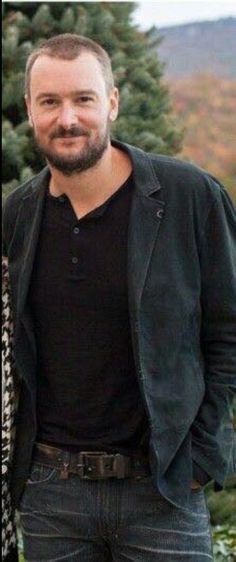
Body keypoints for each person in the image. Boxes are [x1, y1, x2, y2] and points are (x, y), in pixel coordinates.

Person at [2, 33, 236, 562]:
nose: (67, 118)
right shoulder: (17, 215)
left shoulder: (189, 197)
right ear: (31, 110)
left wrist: (200, 456)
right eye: (49, 102)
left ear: (111, 102)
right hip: (51, 494)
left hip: (164, 492)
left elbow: (228, 331)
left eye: (83, 99)